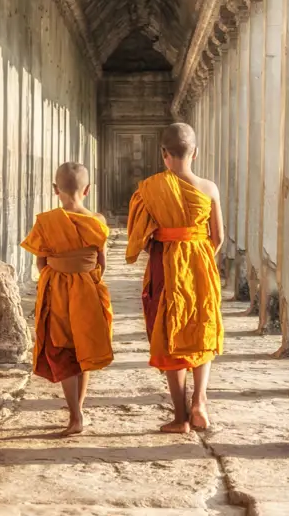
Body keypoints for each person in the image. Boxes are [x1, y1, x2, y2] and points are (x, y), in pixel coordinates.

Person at [126, 123, 225, 434]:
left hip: (165, 265)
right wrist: (199, 255)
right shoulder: (209, 189)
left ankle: (180, 417)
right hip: (201, 264)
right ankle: (200, 401)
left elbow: (138, 238)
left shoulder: (149, 190)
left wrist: (167, 245)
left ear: (163, 154)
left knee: (168, 331)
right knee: (202, 327)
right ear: (195, 152)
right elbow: (219, 236)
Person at [20, 162, 114, 437]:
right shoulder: (97, 221)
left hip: (58, 292)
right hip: (87, 292)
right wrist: (84, 278)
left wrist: (58, 276)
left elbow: (40, 263)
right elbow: (101, 263)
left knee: (63, 349)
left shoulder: (46, 222)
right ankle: (80, 409)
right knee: (83, 348)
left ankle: (74, 414)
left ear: (54, 189)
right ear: (87, 190)